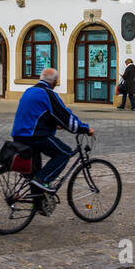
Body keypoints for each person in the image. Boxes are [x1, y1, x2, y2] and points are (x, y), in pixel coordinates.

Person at [10, 66, 93, 195]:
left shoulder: (29, 91)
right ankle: (44, 180)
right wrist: (84, 128)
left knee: (35, 171)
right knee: (64, 153)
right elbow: (66, 116)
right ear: (54, 82)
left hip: (18, 135)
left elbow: (38, 114)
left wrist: (54, 125)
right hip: (34, 136)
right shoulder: (48, 93)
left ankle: (37, 202)